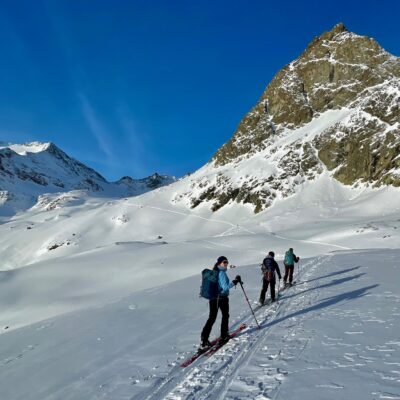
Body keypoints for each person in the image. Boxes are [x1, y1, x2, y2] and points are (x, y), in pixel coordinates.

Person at [200, 256, 241, 349]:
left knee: (211, 318)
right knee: (225, 316)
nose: (226, 264)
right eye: (224, 262)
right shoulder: (221, 273)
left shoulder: (215, 271)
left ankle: (204, 339)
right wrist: (234, 282)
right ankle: (224, 335)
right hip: (221, 298)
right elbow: (225, 287)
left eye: (227, 262)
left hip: (213, 298)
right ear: (219, 263)